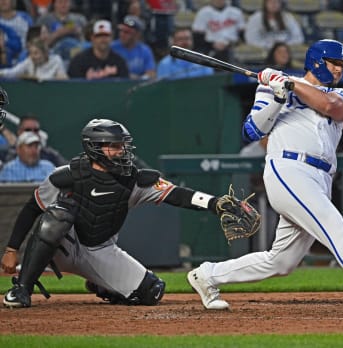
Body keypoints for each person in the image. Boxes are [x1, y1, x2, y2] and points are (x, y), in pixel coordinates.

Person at [187, 39, 343, 313]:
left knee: (282, 262)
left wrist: (291, 84)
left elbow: (332, 107)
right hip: (288, 170)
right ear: (318, 62)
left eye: (342, 65)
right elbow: (251, 132)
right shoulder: (271, 86)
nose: (339, 70)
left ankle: (208, 275)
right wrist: (277, 98)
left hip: (321, 178)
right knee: (335, 228)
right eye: (334, 63)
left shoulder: (341, 95)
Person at [0, 118, 247, 308]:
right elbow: (32, 208)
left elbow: (177, 195)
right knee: (57, 217)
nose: (121, 151)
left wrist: (214, 203)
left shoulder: (134, 180)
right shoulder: (66, 176)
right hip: (62, 247)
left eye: (123, 146)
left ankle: (102, 284)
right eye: (114, 146)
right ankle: (22, 289)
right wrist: (12, 250)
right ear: (94, 148)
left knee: (152, 292)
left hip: (100, 250)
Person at [1, 114, 67, 166]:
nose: (32, 133)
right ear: (19, 132)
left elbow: (65, 167)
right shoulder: (5, 154)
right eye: (28, 130)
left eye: (36, 130)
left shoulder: (49, 154)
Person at [111, 15, 156, 80]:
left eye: (126, 32)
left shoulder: (144, 50)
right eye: (121, 31)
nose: (122, 34)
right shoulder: (112, 47)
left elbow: (151, 74)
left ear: (137, 35)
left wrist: (138, 78)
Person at [0, 37, 67, 80]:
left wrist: (29, 77)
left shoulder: (56, 60)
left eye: (36, 53)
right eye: (30, 53)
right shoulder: (29, 61)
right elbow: (13, 72)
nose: (32, 56)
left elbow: (63, 79)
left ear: (45, 53)